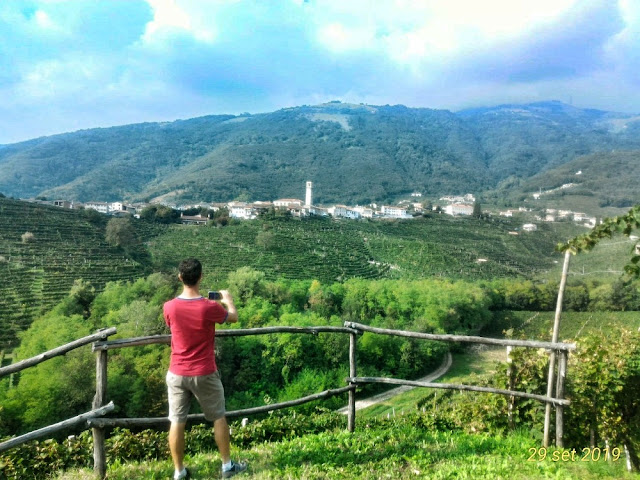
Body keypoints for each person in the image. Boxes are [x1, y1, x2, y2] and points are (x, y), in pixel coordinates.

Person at [164, 258, 247, 479]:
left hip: (177, 372)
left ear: (180, 277)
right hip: (204, 371)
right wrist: (228, 301)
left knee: (176, 420)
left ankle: (179, 471)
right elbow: (234, 318)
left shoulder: (169, 307)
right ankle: (227, 467)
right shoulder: (209, 307)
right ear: (200, 277)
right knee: (218, 417)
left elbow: (172, 326)